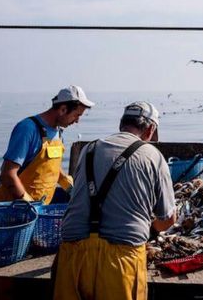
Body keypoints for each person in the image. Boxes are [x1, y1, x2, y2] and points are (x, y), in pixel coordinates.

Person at [53, 101, 176, 300]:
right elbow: (169, 218)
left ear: (122, 124)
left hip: (73, 256)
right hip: (120, 262)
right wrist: (152, 231)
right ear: (151, 129)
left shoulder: (89, 149)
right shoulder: (153, 155)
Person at [0, 86, 92, 204]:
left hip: (40, 210)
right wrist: (30, 205)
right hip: (13, 211)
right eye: (77, 115)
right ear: (63, 109)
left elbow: (50, 167)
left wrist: (70, 188)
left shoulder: (58, 132)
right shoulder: (27, 129)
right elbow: (7, 175)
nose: (77, 121)